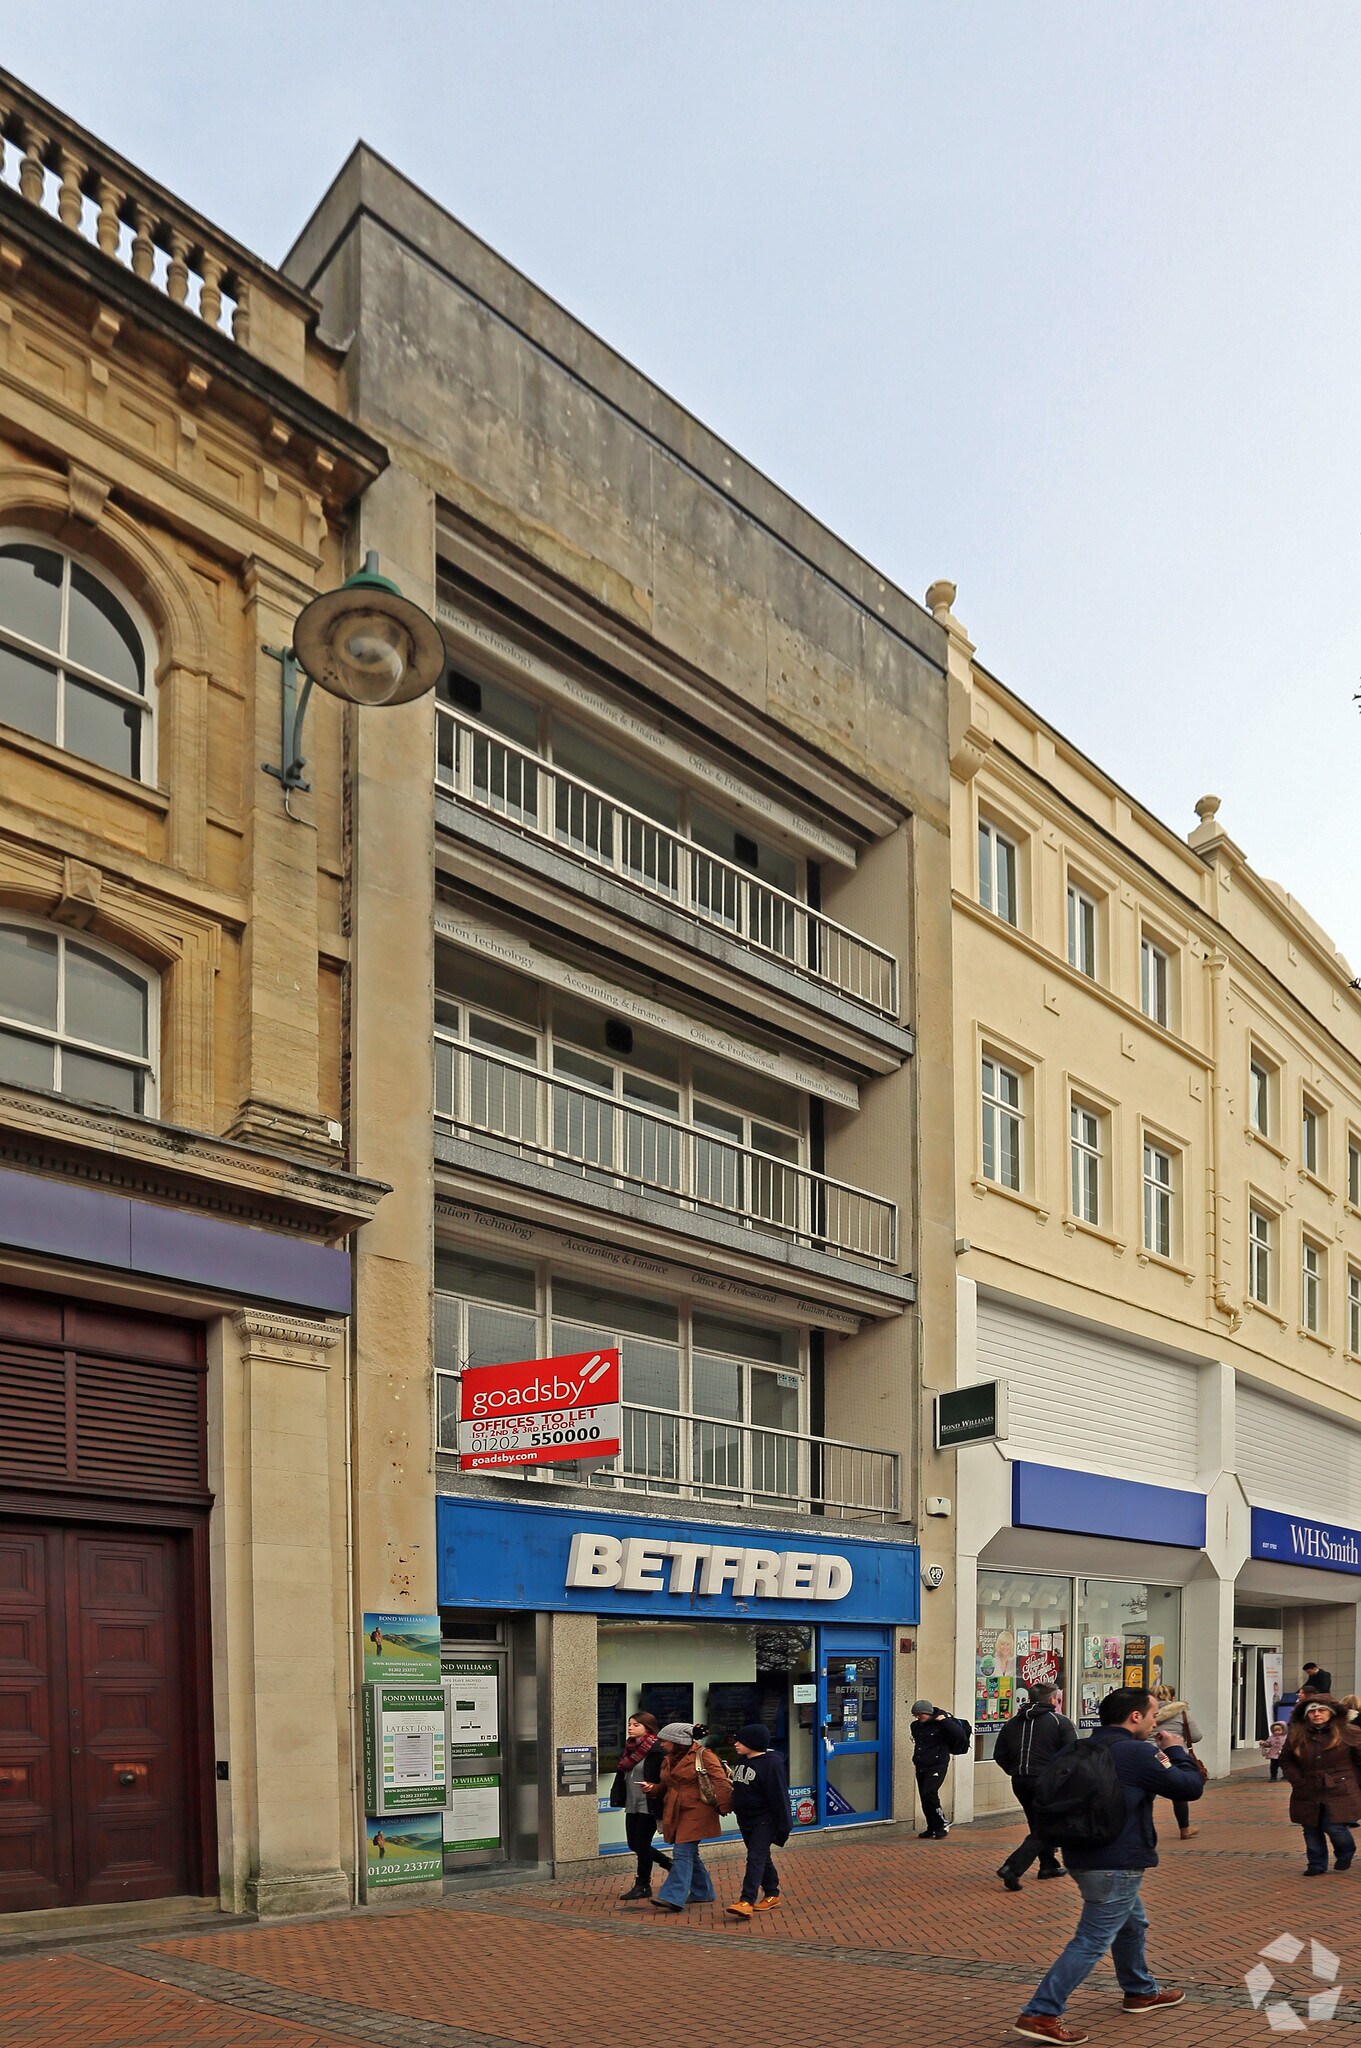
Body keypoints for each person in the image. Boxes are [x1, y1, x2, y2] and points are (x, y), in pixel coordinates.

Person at [1012, 1686, 1203, 2044]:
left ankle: (1140, 1990)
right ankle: (1041, 2011)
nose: (1153, 1721)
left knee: (1132, 1923)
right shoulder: (1137, 1752)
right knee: (1092, 1939)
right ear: (1135, 1717)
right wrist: (1175, 1749)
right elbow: (1189, 1787)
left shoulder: (1078, 1747)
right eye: (1152, 1714)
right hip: (1119, 1861)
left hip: (1083, 1854)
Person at [994, 1683, 1077, 1889]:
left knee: (1038, 1824)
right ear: (1052, 1700)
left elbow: (999, 1755)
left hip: (1020, 1781)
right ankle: (1012, 1868)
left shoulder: (1012, 1723)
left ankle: (1048, 1865)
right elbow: (1072, 1755)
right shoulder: (1059, 1722)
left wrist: (1016, 1771)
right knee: (1050, 1826)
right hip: (1046, 1781)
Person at [647, 1720, 732, 1912]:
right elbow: (669, 1783)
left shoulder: (703, 1755)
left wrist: (725, 1806)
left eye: (665, 1740)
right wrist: (653, 1789)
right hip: (676, 1809)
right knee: (690, 1852)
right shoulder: (670, 1757)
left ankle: (672, 1897)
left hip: (698, 1810)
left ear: (677, 1741)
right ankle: (703, 1892)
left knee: (682, 1851)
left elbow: (720, 1780)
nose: (661, 1744)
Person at [1279, 1693, 1361, 1875]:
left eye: (1322, 1710)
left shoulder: (1350, 1732)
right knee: (1311, 1827)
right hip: (1307, 1788)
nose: (1317, 1714)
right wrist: (1297, 1780)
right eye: (1312, 1711)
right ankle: (1316, 1863)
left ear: (1331, 1713)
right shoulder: (1297, 1734)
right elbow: (1286, 1760)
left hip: (1341, 1788)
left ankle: (1345, 1851)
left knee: (1335, 1826)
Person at [725, 1722, 790, 1919]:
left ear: (753, 1742)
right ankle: (772, 1893)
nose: (736, 1743)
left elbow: (779, 1795)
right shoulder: (743, 1760)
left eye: (741, 1740)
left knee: (754, 1858)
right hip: (746, 1819)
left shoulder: (772, 1764)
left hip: (765, 1819)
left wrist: (784, 1825)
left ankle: (746, 1900)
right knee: (762, 1857)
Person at [615, 1710, 673, 1902]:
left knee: (641, 1843)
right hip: (632, 1801)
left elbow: (664, 1778)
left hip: (649, 1802)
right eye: (629, 1724)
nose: (630, 1728)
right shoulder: (629, 1749)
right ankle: (667, 1863)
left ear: (648, 1728)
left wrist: (654, 1788)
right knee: (634, 1843)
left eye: (635, 1725)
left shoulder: (657, 1750)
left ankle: (642, 1885)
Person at [911, 1699, 971, 1839]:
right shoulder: (916, 1726)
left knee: (929, 1792)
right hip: (921, 1765)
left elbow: (960, 1735)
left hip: (938, 1764)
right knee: (924, 1798)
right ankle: (932, 1827)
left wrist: (945, 1721)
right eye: (916, 1715)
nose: (918, 1718)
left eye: (920, 1715)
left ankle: (942, 1823)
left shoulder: (943, 1723)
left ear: (928, 1713)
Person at [1152, 1688, 1204, 1839]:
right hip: (1173, 1755)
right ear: (1173, 1697)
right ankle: (1184, 1828)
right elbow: (1196, 1736)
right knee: (1179, 1791)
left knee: (1147, 1791)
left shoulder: (1145, 1712)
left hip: (1149, 1754)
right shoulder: (1181, 1712)